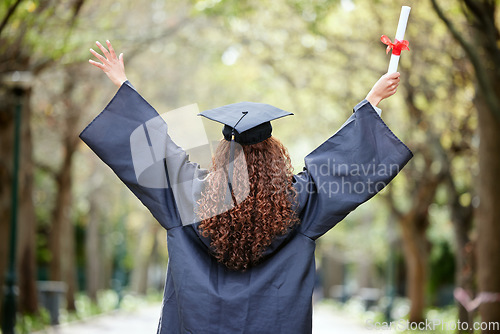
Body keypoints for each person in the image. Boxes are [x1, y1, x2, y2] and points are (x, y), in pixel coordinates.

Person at [82, 40, 412, 334]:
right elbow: (340, 164)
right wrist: (372, 100)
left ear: (222, 154)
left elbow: (159, 153)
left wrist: (123, 84)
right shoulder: (300, 204)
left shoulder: (188, 197)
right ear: (273, 154)